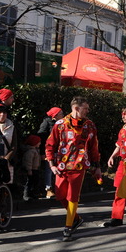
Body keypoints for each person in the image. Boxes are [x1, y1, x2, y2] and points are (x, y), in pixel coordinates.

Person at [45, 97, 102, 242]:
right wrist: (52, 164)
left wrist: (97, 166)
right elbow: (50, 145)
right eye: (85, 108)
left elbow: (94, 147)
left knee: (73, 196)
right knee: (60, 195)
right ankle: (76, 219)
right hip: (61, 165)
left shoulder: (90, 125)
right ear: (76, 108)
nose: (88, 111)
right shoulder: (60, 124)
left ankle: (68, 227)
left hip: (79, 165)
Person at [38, 107, 64, 198]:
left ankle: (60, 188)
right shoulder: (47, 123)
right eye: (61, 114)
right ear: (55, 115)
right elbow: (42, 137)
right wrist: (42, 152)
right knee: (49, 169)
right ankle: (48, 189)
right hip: (50, 150)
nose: (63, 115)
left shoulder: (63, 123)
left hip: (60, 150)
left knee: (61, 168)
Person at [21, 135, 42, 201]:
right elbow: (28, 161)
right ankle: (27, 195)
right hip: (32, 169)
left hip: (35, 169)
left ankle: (33, 194)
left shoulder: (35, 150)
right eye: (38, 142)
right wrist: (29, 169)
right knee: (29, 182)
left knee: (34, 182)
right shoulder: (31, 151)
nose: (40, 143)